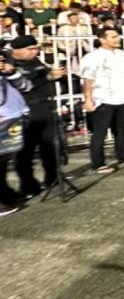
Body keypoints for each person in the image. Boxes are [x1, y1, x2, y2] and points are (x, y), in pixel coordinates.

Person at [7, 35, 66, 193]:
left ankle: (52, 178)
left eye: (36, 48)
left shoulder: (37, 62)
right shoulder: (10, 65)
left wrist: (54, 76)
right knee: (25, 150)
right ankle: (28, 184)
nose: (35, 52)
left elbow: (44, 76)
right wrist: (47, 77)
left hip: (45, 105)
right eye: (30, 49)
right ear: (17, 50)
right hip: (25, 109)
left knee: (50, 146)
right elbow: (24, 85)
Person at [80, 28, 124, 173]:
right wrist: (88, 99)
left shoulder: (122, 54)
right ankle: (98, 164)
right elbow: (88, 79)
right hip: (103, 98)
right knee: (99, 133)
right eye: (113, 37)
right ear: (102, 39)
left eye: (117, 36)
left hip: (122, 96)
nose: (117, 39)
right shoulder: (92, 57)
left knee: (121, 130)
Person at [0, 57, 32, 214]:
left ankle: (5, 194)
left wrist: (11, 72)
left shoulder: (4, 75)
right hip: (3, 119)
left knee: (4, 162)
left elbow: (26, 86)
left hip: (14, 118)